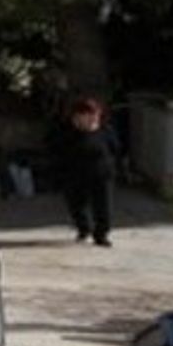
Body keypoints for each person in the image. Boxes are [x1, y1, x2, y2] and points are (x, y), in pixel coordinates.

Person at [55, 95, 118, 246]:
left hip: (101, 174)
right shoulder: (66, 132)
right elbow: (57, 151)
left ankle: (101, 234)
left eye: (96, 115)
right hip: (75, 174)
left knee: (103, 206)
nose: (93, 118)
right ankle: (84, 228)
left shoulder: (105, 130)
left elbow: (115, 148)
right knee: (77, 205)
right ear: (78, 116)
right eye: (89, 115)